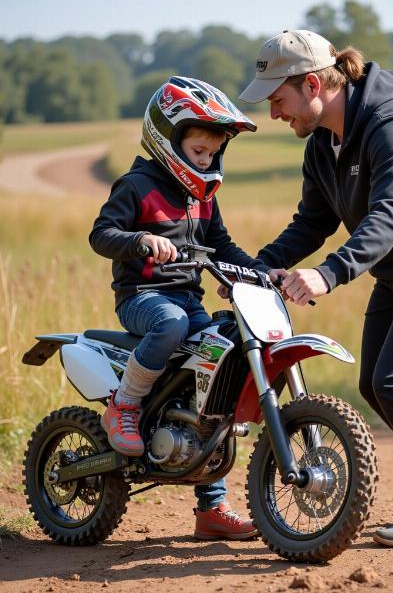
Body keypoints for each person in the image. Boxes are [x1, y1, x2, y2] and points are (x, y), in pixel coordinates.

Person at [239, 30, 393, 547]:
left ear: (313, 84)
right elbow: (312, 222)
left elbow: (391, 216)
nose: (274, 114)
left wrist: (327, 275)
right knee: (376, 383)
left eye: (277, 99)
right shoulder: (322, 146)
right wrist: (258, 268)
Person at [90, 76, 268, 541]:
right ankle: (125, 405)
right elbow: (101, 235)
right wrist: (140, 240)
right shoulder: (136, 185)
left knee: (219, 374)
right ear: (168, 140)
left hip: (190, 300)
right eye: (198, 152)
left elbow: (222, 245)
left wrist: (259, 272)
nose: (206, 161)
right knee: (169, 323)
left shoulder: (203, 196)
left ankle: (211, 509)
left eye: (213, 153)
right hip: (144, 300)